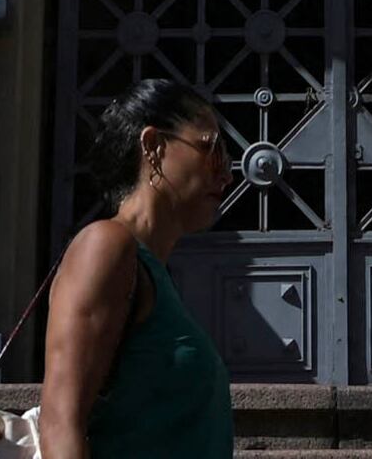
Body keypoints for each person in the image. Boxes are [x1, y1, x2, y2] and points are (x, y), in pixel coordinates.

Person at [31, 80, 236, 459]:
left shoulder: (154, 274)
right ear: (153, 146)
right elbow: (60, 421)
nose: (226, 174)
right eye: (211, 149)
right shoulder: (106, 246)